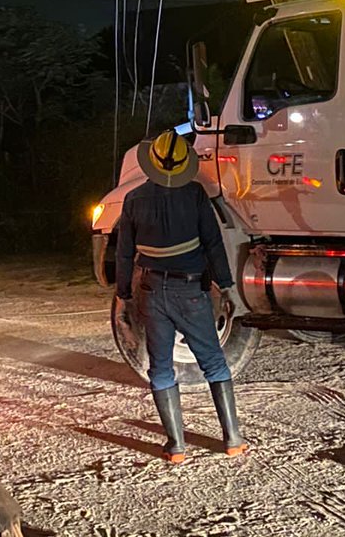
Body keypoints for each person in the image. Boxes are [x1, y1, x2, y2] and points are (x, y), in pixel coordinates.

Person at [115, 127, 246, 464]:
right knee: (214, 362)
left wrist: (124, 291)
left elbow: (125, 253)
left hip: (151, 292)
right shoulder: (195, 195)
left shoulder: (133, 199)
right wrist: (227, 287)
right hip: (190, 291)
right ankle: (232, 439)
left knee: (160, 367)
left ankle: (176, 447)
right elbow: (213, 244)